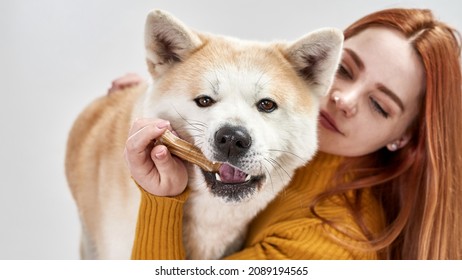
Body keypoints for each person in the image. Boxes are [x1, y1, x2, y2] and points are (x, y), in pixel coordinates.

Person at [120, 8, 462, 259]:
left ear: (402, 138)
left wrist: (160, 201)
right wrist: (157, 99)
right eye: (344, 69)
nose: (343, 99)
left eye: (379, 105)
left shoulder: (329, 241)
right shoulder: (281, 149)